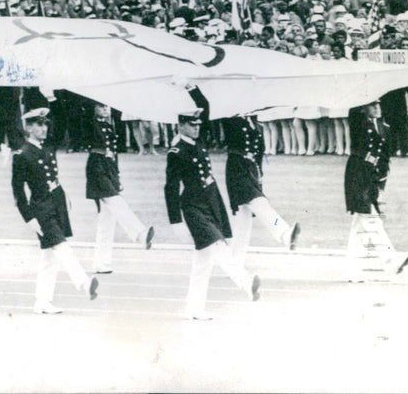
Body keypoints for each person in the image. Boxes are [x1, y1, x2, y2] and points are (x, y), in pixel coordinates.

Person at [165, 87, 260, 320]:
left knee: (203, 262)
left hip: (211, 202)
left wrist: (191, 88)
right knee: (218, 247)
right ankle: (247, 285)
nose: (197, 127)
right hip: (193, 207)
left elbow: (205, 108)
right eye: (192, 124)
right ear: (182, 125)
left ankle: (194, 309)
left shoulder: (198, 140)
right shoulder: (176, 151)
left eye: (198, 124)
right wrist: (176, 220)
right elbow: (170, 187)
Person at [12, 107, 99, 314]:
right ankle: (84, 284)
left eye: (45, 124)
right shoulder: (22, 155)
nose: (44, 128)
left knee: (49, 257)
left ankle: (42, 301)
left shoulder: (47, 148)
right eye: (39, 124)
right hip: (41, 209)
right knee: (61, 246)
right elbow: (18, 191)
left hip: (56, 204)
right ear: (29, 127)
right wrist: (28, 218)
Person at [220, 108, 301, 264]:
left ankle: (234, 263)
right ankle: (285, 233)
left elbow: (259, 151)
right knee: (260, 204)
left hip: (251, 169)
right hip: (237, 168)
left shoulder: (253, 119)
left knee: (243, 221)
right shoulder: (230, 116)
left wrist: (259, 176)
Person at [344, 100, 408, 282]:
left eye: (378, 105)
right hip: (358, 173)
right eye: (372, 105)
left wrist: (381, 183)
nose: (377, 108)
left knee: (360, 224)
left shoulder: (383, 126)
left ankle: (352, 271)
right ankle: (391, 259)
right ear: (363, 108)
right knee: (370, 219)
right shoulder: (359, 123)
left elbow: (384, 158)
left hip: (372, 177)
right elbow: (353, 112)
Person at [86, 101, 154, 274]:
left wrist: (117, 175)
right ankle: (140, 234)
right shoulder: (91, 123)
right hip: (97, 168)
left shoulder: (109, 126)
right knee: (116, 202)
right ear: (94, 109)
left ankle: (102, 263)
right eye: (101, 106)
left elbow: (113, 152)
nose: (105, 109)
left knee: (107, 219)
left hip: (108, 168)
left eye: (107, 107)